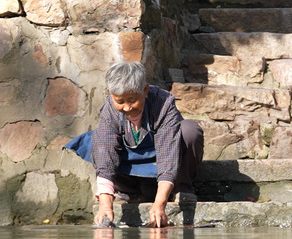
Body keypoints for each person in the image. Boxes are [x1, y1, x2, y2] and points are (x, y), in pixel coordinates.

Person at [64, 61, 203, 227]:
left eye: (132, 100)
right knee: (95, 139)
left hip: (163, 158)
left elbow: (168, 153)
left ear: (145, 90)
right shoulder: (109, 110)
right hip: (130, 159)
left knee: (189, 131)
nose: (127, 107)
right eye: (120, 101)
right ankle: (127, 191)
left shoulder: (163, 103)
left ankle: (181, 188)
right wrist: (105, 203)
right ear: (110, 94)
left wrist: (159, 204)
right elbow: (105, 154)